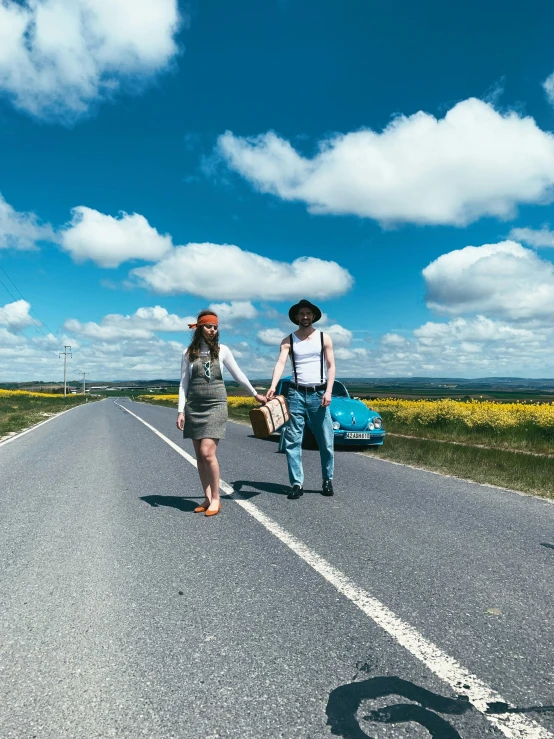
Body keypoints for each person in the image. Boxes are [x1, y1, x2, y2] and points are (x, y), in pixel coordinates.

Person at [176, 310, 266, 517]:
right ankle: (206, 498)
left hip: (216, 405)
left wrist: (254, 394)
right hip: (195, 406)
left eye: (215, 327)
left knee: (208, 452)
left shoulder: (222, 350)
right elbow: (184, 383)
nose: (212, 330)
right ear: (199, 328)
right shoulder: (188, 352)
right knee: (199, 455)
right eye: (209, 326)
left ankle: (216, 498)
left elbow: (238, 375)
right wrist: (181, 410)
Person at [266, 299, 336, 499]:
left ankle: (327, 479)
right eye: (301, 314)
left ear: (313, 316)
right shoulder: (288, 340)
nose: (305, 317)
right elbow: (280, 363)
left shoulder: (324, 338)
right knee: (292, 441)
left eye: (308, 313)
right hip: (295, 394)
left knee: (326, 440)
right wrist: (273, 386)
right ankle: (297, 483)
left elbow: (331, 366)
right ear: (296, 317)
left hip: (319, 394)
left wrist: (329, 390)